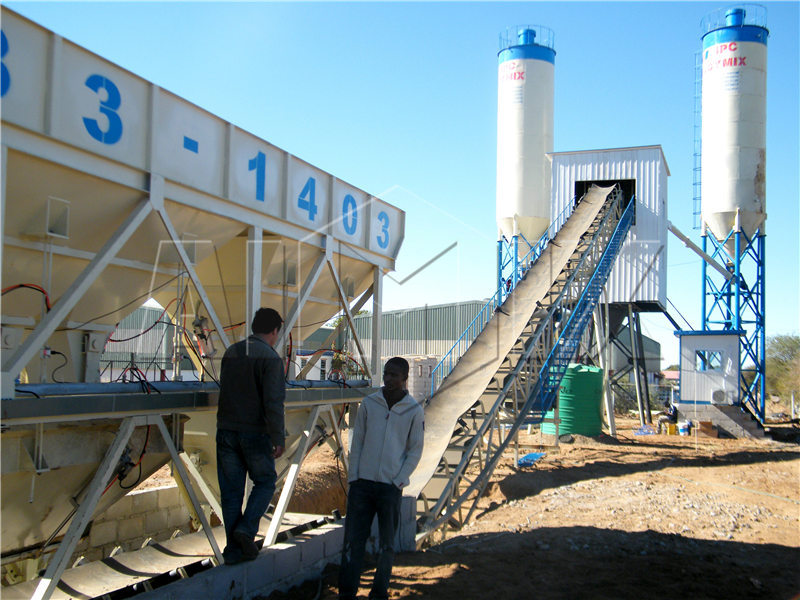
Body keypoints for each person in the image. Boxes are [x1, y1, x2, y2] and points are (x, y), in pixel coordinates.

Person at [338, 357, 425, 600]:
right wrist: (354, 477)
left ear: (404, 378)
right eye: (386, 374)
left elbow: (415, 450)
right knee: (353, 541)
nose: (388, 379)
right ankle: (347, 592)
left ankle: (378, 593)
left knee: (387, 545)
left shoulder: (413, 411)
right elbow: (359, 441)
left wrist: (399, 480)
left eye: (394, 375)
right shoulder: (369, 403)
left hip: (389, 488)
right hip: (362, 486)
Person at [216, 307, 285, 565]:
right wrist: (278, 437)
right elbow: (273, 402)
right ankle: (246, 530)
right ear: (274, 331)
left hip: (225, 431)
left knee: (231, 493)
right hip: (254, 434)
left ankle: (233, 551)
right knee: (266, 482)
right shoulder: (270, 358)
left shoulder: (231, 352)